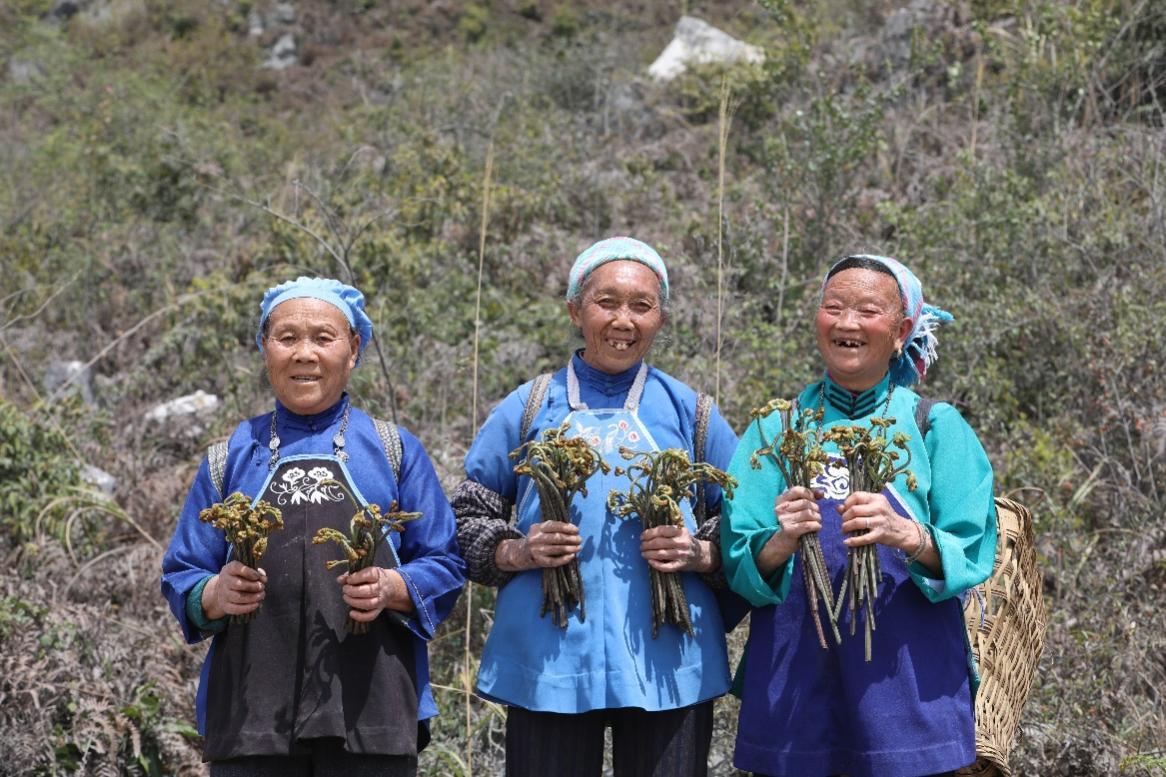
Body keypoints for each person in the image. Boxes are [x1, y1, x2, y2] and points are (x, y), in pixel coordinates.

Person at [452, 237, 739, 777]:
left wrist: (700, 552)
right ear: (574, 310)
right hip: (548, 662)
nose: (623, 320)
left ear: (661, 317)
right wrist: (515, 549)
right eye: (606, 302)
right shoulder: (530, 405)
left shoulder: (692, 412)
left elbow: (746, 524)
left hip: (670, 661)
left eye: (642, 305)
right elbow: (467, 513)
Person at [161, 277, 464, 776]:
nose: (305, 354)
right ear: (264, 348)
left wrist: (392, 586)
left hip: (373, 715)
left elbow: (446, 561)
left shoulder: (393, 450)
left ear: (354, 349)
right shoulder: (230, 456)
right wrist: (213, 595)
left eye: (323, 338)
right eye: (287, 338)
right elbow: (183, 572)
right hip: (251, 717)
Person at [721, 254, 997, 777]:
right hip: (795, 686)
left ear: (902, 331)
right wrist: (779, 540)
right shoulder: (777, 427)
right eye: (833, 308)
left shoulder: (932, 425)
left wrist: (907, 534)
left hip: (907, 685)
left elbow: (973, 548)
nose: (847, 323)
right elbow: (736, 556)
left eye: (868, 310)